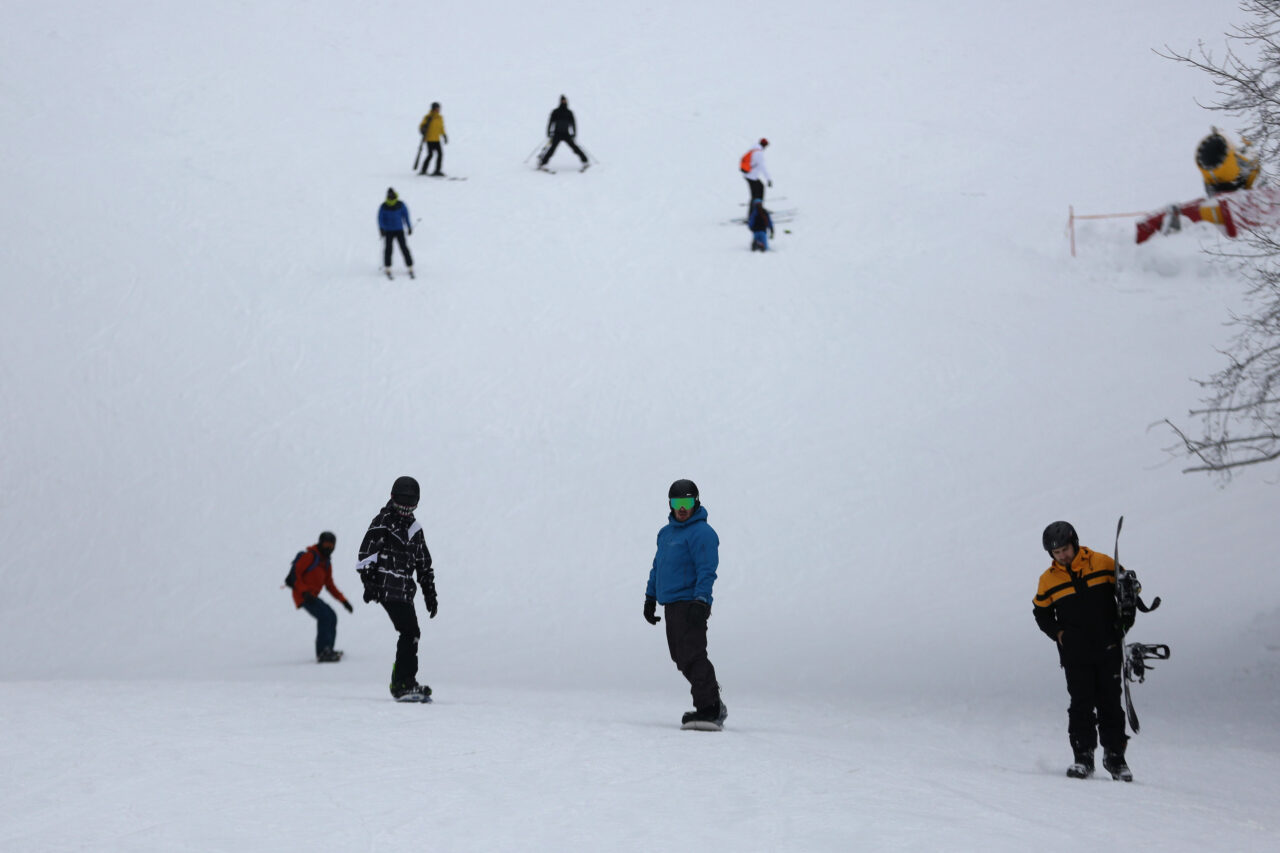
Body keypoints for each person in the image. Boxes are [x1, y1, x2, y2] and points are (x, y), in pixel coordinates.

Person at [1033, 521, 1133, 781]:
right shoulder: (1048, 580)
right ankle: (1083, 757)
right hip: (1075, 653)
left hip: (1107, 645)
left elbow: (1130, 589)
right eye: (1057, 553)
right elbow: (1041, 612)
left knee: (1110, 702)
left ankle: (1115, 758)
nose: (1063, 556)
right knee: (1081, 704)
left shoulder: (1100, 563)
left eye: (1065, 549)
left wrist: (1128, 595)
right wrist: (1058, 633)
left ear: (1074, 543)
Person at [644, 479, 726, 730]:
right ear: (670, 504)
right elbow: (658, 566)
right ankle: (710, 702)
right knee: (680, 657)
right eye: (677, 502)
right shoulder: (665, 533)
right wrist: (650, 597)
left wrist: (701, 602)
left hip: (691, 603)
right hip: (671, 604)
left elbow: (706, 570)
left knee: (693, 654)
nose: (682, 508)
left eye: (687, 502)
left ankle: (709, 707)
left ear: (696, 502)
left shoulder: (702, 533)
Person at [357, 476, 437, 702]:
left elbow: (423, 563)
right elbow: (367, 553)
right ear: (392, 498)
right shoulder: (383, 521)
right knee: (410, 632)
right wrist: (369, 582)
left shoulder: (414, 529)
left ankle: (401, 681)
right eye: (401, 504)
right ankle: (403, 682)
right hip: (386, 586)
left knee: (411, 633)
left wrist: (429, 593)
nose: (404, 510)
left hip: (404, 590)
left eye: (410, 505)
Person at [289, 531, 352, 663]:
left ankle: (328, 649)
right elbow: (295, 575)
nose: (328, 548)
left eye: (331, 546)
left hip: (312, 596)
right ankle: (323, 652)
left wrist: (343, 601)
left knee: (332, 616)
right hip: (303, 595)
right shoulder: (310, 556)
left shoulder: (326, 563)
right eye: (326, 544)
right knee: (324, 616)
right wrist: (304, 592)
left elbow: (329, 585)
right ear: (320, 543)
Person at [538, 95, 589, 171]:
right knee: (552, 149)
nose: (564, 102)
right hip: (557, 133)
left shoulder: (569, 112)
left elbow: (573, 123)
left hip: (566, 134)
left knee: (575, 147)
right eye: (562, 100)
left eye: (565, 101)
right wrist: (549, 132)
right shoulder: (555, 111)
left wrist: (574, 133)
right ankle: (543, 163)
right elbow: (550, 122)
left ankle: (585, 161)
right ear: (560, 101)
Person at [377, 188, 414, 278]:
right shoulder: (384, 206)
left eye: (392, 195)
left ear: (395, 195)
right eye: (389, 195)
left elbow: (406, 216)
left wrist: (409, 227)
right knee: (388, 249)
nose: (390, 197)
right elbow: (380, 218)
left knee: (404, 248)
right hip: (388, 231)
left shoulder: (400, 205)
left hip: (399, 230)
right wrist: (381, 229)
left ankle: (410, 266)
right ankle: (388, 267)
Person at [418, 102, 449, 177]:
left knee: (440, 154)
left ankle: (437, 170)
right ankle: (423, 170)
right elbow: (421, 126)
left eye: (439, 108)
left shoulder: (440, 117)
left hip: (437, 139)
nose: (438, 110)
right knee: (430, 155)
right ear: (433, 109)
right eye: (437, 108)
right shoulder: (428, 117)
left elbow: (441, 127)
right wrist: (422, 129)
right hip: (429, 139)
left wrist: (444, 135)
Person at [739, 138, 772, 205]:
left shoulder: (753, 149)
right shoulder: (758, 153)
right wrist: (768, 179)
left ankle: (757, 209)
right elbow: (763, 168)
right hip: (751, 176)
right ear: (764, 145)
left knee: (759, 189)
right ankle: (756, 211)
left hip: (748, 175)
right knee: (757, 192)